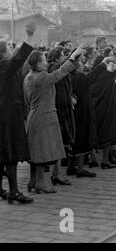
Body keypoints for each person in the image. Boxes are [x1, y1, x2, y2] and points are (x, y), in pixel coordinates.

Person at [24, 47, 85, 194]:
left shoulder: (28, 76)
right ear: (38, 64)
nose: (46, 63)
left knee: (35, 151)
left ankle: (32, 181)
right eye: (44, 60)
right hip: (44, 117)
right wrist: (73, 56)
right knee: (42, 152)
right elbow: (60, 73)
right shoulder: (42, 77)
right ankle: (40, 183)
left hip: (34, 115)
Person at [0, 22, 36, 204]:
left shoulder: (5, 67)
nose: (11, 48)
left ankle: (1, 189)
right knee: (11, 152)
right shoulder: (5, 65)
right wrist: (29, 36)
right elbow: (19, 58)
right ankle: (14, 191)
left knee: (3, 152)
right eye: (8, 46)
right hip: (9, 115)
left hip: (4, 113)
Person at [71, 50, 114, 177]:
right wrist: (103, 64)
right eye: (80, 60)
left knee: (77, 138)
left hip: (79, 109)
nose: (83, 62)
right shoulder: (78, 76)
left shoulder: (75, 75)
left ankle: (71, 167)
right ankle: (79, 168)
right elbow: (91, 77)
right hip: (81, 110)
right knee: (81, 138)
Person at [47, 47, 76, 183]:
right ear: (56, 56)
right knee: (58, 141)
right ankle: (56, 173)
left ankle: (57, 172)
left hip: (64, 106)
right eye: (63, 54)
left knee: (61, 141)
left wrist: (71, 97)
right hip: (59, 108)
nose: (64, 56)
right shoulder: (54, 67)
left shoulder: (57, 67)